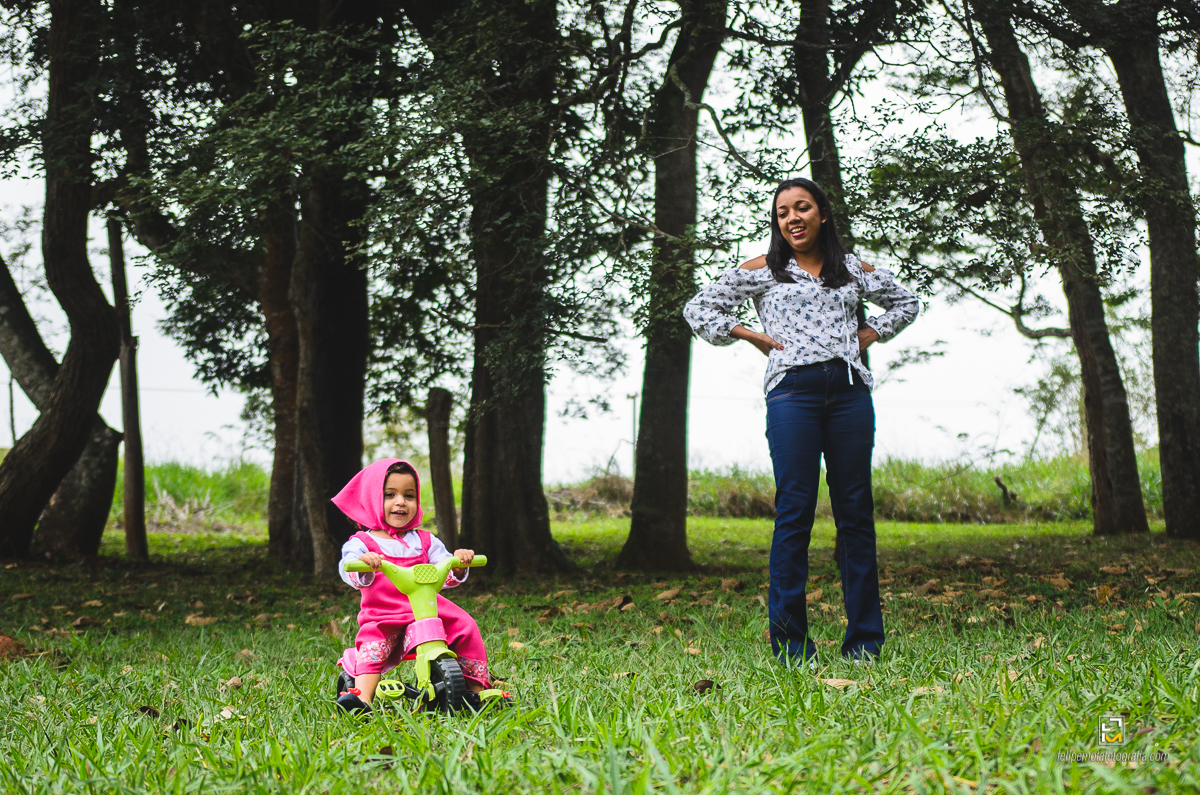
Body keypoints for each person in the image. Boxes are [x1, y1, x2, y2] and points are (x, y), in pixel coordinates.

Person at [683, 177, 919, 666]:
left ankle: (864, 643)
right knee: (795, 512)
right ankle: (792, 647)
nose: (792, 217)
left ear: (822, 214)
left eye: (802, 207)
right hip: (792, 395)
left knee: (856, 514)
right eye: (783, 212)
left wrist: (870, 333)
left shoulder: (850, 268)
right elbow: (698, 307)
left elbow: (907, 301)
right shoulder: (763, 269)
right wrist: (749, 334)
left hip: (850, 394)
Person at [331, 458, 490, 713]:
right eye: (390, 495)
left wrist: (458, 563)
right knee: (374, 645)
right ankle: (362, 699)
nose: (401, 502)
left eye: (409, 495)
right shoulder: (362, 543)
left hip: (427, 607)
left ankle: (476, 691)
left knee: (465, 624)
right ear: (372, 499)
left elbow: (444, 568)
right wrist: (364, 565)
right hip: (384, 612)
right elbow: (347, 568)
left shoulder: (425, 541)